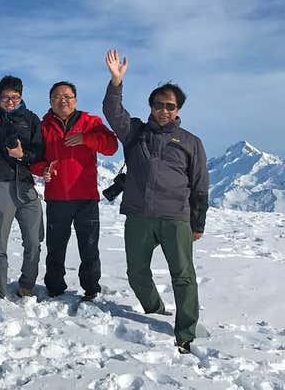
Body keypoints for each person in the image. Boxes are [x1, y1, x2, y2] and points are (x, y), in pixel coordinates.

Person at [102, 49, 209, 354]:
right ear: (150, 106)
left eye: (170, 106)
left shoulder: (191, 142)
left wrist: (197, 223)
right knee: (136, 271)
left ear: (178, 110)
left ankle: (185, 330)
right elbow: (112, 111)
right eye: (158, 104)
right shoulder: (134, 131)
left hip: (176, 218)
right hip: (138, 215)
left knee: (184, 277)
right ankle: (154, 309)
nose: (163, 110)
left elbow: (200, 185)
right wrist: (116, 82)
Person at [0, 32, 45, 299]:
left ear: (21, 97)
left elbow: (39, 153)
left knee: (34, 241)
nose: (10, 102)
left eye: (14, 97)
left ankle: (27, 284)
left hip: (25, 187)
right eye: (5, 98)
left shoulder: (32, 119)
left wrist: (23, 155)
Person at [30, 81, 118, 301]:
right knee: (55, 248)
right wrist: (43, 171)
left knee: (89, 248)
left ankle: (91, 289)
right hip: (57, 198)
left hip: (86, 199)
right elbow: (34, 159)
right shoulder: (42, 127)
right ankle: (54, 288)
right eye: (57, 97)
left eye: (68, 96)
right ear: (50, 101)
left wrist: (87, 139)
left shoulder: (91, 122)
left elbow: (111, 146)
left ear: (76, 100)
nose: (63, 100)